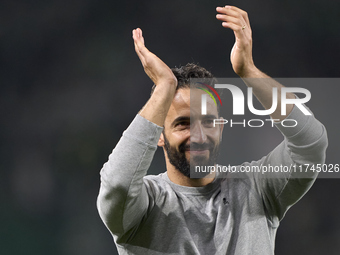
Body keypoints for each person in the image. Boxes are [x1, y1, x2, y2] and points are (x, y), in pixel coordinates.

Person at [97, 5, 328, 255]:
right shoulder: (143, 205)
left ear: (221, 128)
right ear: (159, 136)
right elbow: (117, 186)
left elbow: (311, 144)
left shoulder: (257, 188)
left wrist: (248, 71)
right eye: (183, 123)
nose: (198, 135)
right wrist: (165, 86)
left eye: (208, 122)